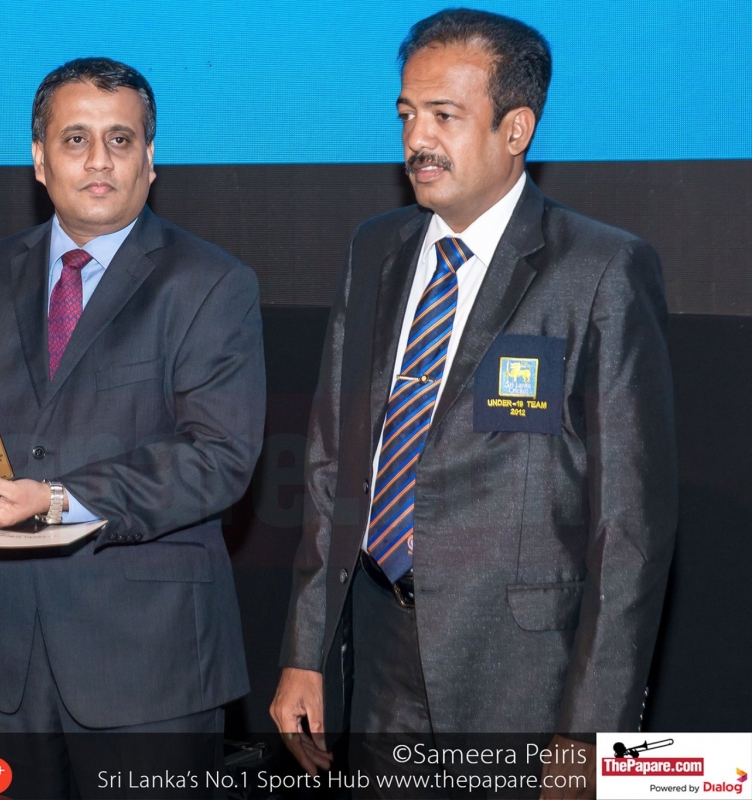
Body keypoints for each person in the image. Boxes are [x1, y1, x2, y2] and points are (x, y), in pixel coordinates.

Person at [271, 8, 677, 792]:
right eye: (407, 115)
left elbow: (630, 527)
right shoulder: (374, 249)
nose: (417, 139)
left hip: (523, 676)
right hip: (378, 655)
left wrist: (592, 732)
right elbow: (332, 465)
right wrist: (306, 652)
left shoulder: (601, 271)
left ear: (515, 129)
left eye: (444, 116)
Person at [0, 57, 265, 796]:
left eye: (121, 140)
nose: (99, 160)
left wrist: (55, 498)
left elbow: (218, 458)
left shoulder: (210, 282)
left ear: (150, 159)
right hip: (6, 658)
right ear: (39, 159)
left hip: (151, 667)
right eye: (76, 139)